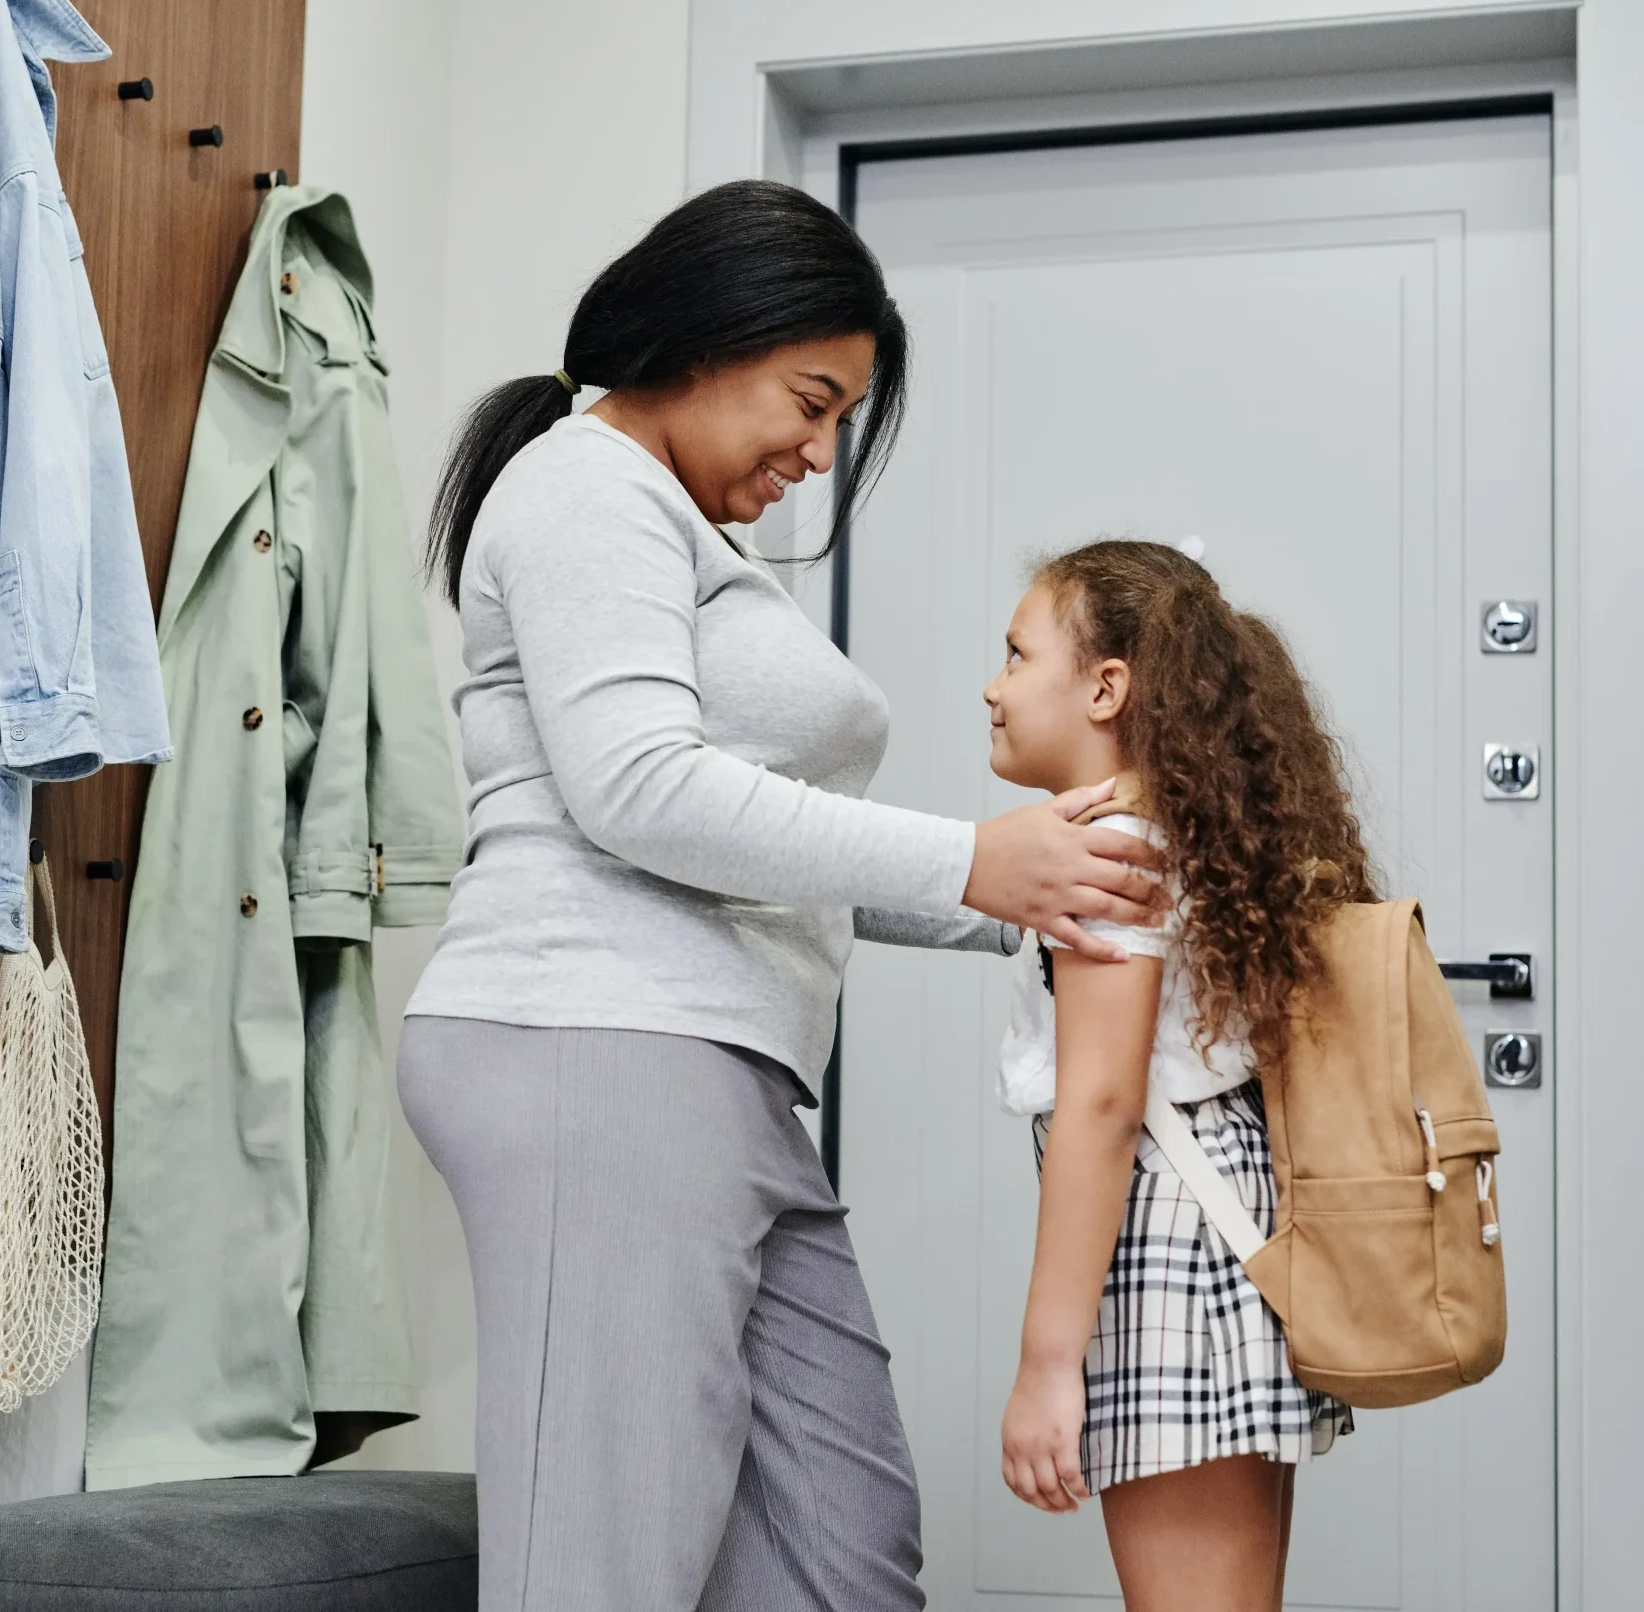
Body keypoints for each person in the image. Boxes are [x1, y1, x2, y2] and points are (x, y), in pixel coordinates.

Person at [397, 180, 1165, 1612]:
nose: (816, 454)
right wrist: (967, 860)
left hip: (716, 1073)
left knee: (839, 1552)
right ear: (704, 335)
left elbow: (761, 853)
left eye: (836, 422)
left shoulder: (675, 527)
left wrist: (1025, 891)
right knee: (601, 1567)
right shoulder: (585, 487)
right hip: (592, 1042)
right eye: (808, 403)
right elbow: (639, 790)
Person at [988, 540, 1367, 1611]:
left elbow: (1103, 1109)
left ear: (1106, 687)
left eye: (1016, 655)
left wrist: (1043, 1368)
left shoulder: (1113, 851)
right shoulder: (1163, 833)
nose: (993, 683)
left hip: (1174, 1256)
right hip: (1216, 1239)